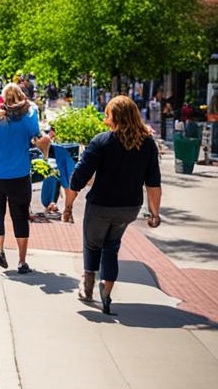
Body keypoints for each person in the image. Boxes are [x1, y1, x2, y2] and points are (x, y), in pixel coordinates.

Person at [62, 96, 161, 315]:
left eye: (108, 115)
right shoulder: (147, 144)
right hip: (129, 208)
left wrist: (68, 207)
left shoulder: (102, 141)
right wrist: (155, 213)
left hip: (101, 205)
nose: (105, 119)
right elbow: (153, 183)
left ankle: (87, 288)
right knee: (111, 246)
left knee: (92, 244)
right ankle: (106, 290)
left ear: (115, 117)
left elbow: (78, 177)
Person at [0, 83, 52, 274]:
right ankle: (21, 261)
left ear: (3, 99)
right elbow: (37, 136)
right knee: (20, 218)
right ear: (21, 97)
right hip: (19, 177)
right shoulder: (28, 119)